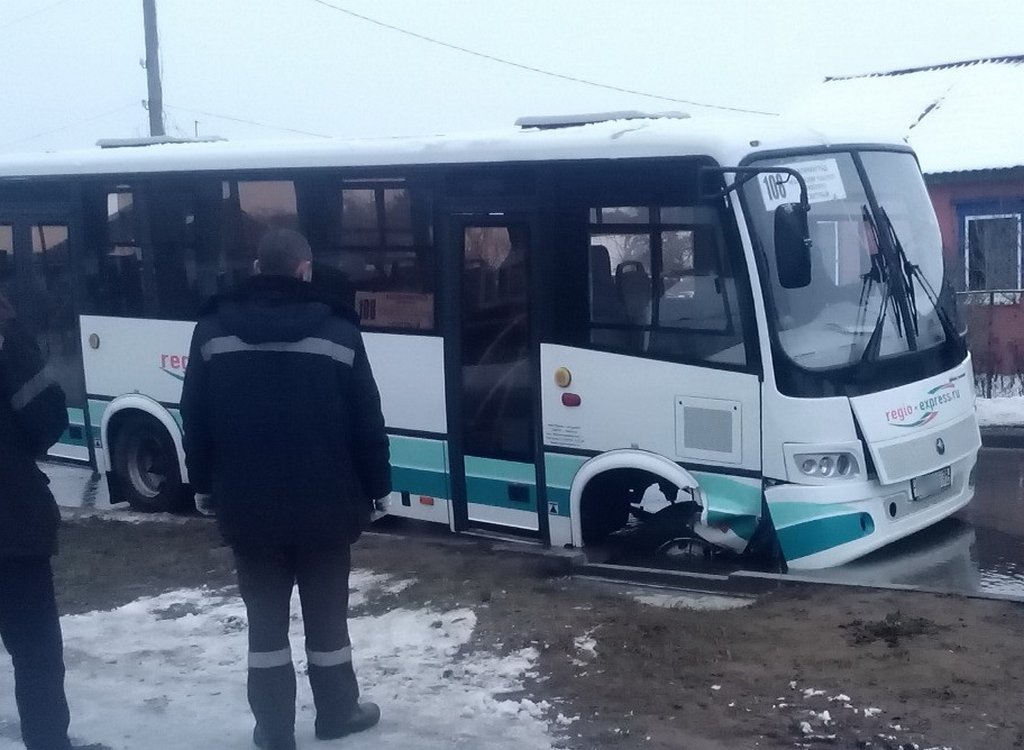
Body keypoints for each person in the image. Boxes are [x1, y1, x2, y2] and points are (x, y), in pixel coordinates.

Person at [180, 228, 391, 750]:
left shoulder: (210, 330)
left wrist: (204, 484)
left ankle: (274, 730)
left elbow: (195, 418)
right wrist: (379, 487)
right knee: (327, 623)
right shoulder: (340, 331)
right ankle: (338, 713)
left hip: (248, 508)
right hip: (326, 506)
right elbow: (366, 419)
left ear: (257, 267)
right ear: (304, 270)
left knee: (266, 629)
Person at [0, 291, 74, 750]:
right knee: (37, 656)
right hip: (10, 528)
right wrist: (14, 339)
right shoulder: (8, 349)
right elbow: (47, 419)